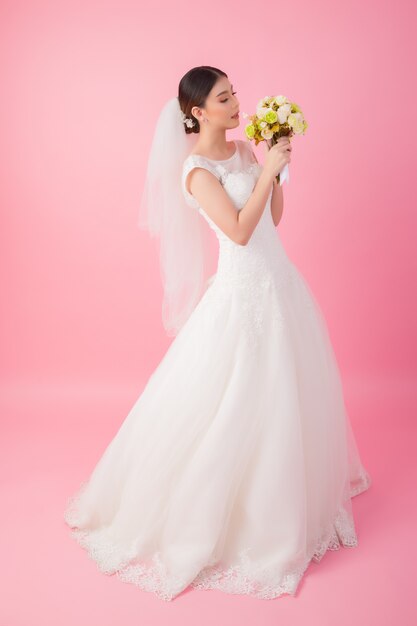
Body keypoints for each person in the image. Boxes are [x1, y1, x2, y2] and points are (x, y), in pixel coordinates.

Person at [64, 65, 371, 602]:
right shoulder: (196, 171)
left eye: (235, 94)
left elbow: (272, 217)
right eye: (224, 98)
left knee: (284, 394)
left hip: (279, 284)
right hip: (241, 291)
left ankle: (283, 496)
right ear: (197, 112)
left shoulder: (245, 152)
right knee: (231, 400)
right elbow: (238, 230)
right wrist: (268, 167)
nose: (235, 104)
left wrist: (273, 169)